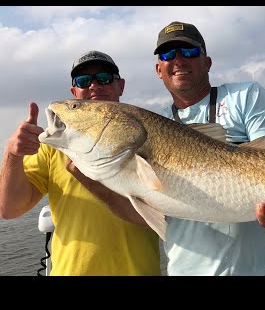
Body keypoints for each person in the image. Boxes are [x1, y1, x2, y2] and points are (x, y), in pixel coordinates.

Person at [153, 21, 265, 276]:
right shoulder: (156, 124)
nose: (178, 60)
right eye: (168, 54)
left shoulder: (245, 95)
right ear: (159, 69)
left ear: (207, 62)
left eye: (189, 52)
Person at [0, 50, 161, 275]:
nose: (94, 86)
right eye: (84, 81)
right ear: (74, 92)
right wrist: (12, 154)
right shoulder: (52, 145)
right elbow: (8, 209)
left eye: (104, 78)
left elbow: (156, 216)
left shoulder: (150, 138)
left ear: (120, 85)